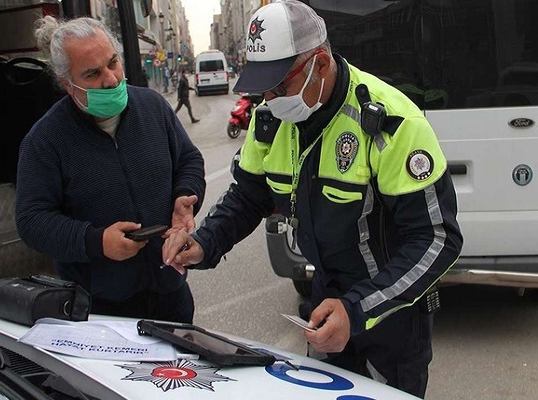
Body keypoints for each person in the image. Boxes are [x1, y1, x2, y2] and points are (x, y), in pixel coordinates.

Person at [162, 1, 462, 398]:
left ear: (320, 64)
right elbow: (249, 195)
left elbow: (437, 239)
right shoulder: (271, 120)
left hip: (389, 317)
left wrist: (356, 311)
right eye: (262, 89)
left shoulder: (391, 122)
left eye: (280, 86)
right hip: (325, 305)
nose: (269, 99)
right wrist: (204, 242)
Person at [15, 16, 206, 324]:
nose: (111, 79)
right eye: (92, 73)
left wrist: (186, 195)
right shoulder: (45, 140)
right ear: (67, 84)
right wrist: (96, 241)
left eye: (113, 63)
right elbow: (32, 220)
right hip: (99, 312)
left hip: (171, 296)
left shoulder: (153, 107)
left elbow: (189, 160)